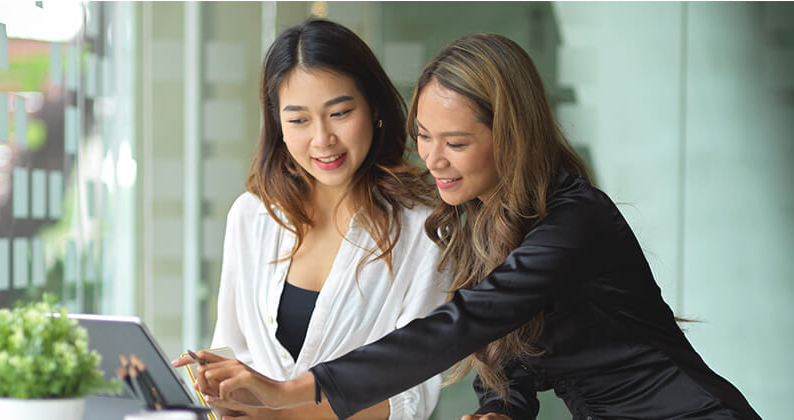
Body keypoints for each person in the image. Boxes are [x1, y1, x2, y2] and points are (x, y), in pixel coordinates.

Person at [184, 33, 762, 420]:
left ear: (510, 137)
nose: (432, 160)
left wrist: (290, 392)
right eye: (425, 138)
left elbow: (463, 325)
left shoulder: (576, 219)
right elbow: (505, 353)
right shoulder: (478, 221)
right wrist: (498, 412)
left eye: (456, 143)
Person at [173, 20, 450, 420]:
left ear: (373, 107)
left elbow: (412, 395)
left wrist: (280, 414)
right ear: (278, 125)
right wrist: (211, 385)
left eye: (339, 112)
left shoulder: (422, 232)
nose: (322, 139)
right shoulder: (251, 217)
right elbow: (231, 349)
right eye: (299, 120)